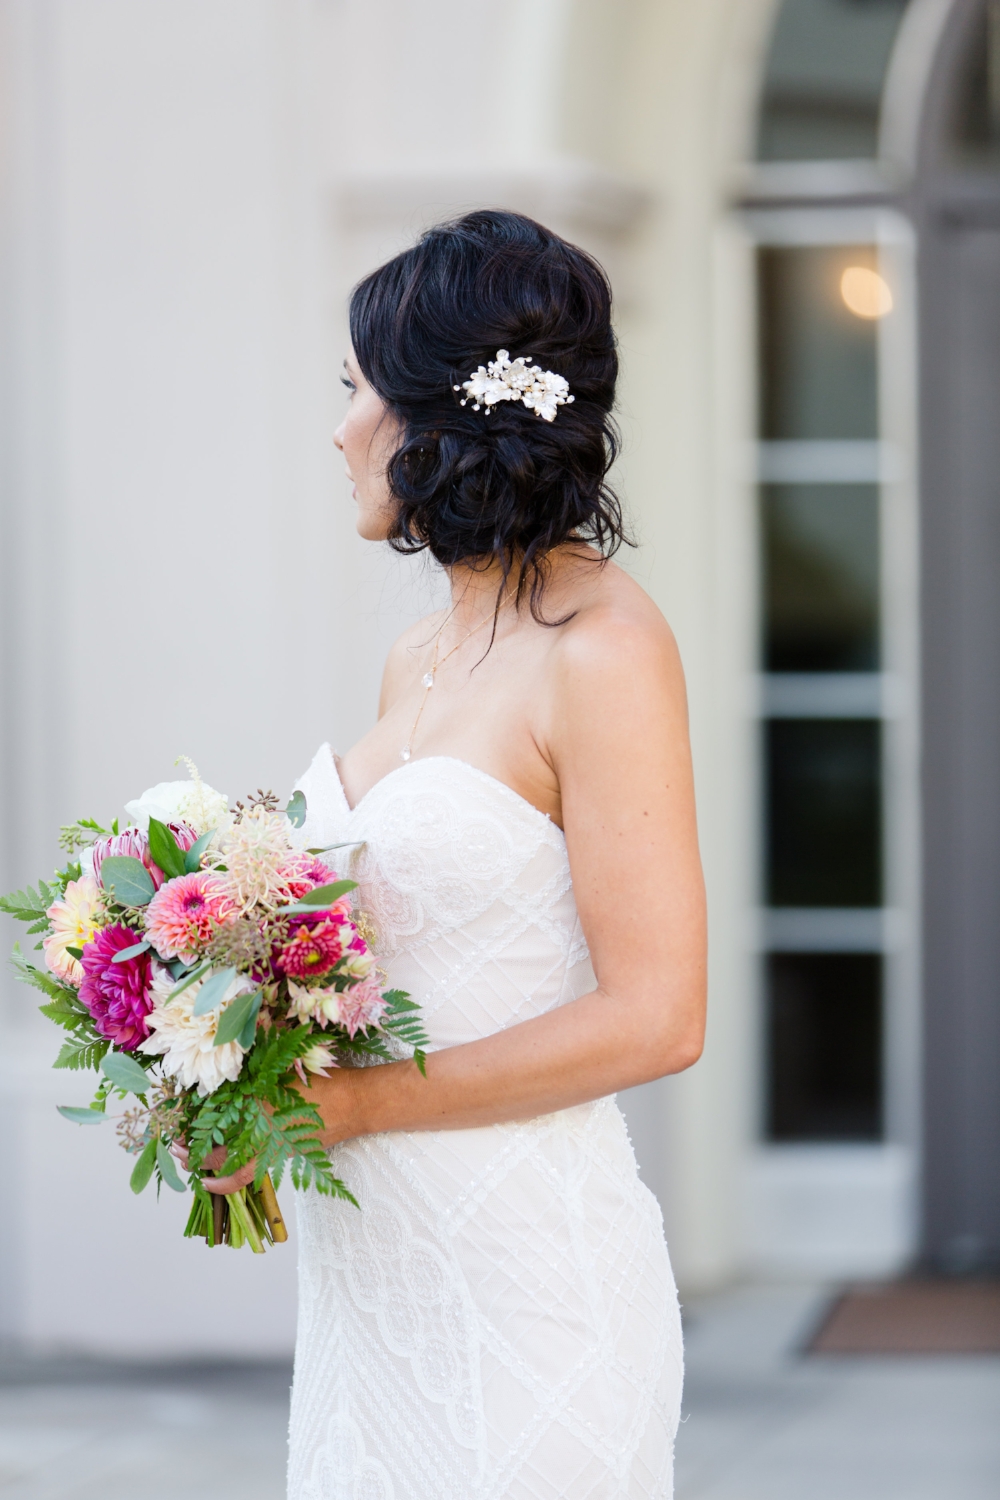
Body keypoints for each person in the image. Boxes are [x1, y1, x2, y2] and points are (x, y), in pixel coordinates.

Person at [209, 209, 706, 1499]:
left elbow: (658, 1017)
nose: (337, 429)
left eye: (354, 390)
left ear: (435, 413)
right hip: (374, 1307)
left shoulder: (605, 650)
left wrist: (354, 1106)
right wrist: (228, 1054)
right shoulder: (419, 653)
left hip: (526, 1302)